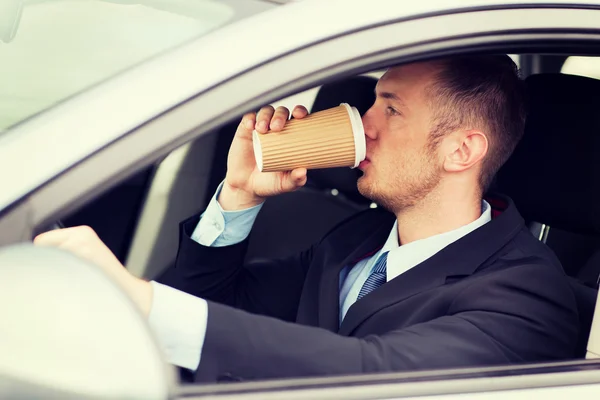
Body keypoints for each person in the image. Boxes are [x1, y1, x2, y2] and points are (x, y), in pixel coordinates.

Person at [34, 55, 579, 383]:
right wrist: (240, 197)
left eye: (390, 108)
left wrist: (141, 299)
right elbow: (214, 308)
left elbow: (373, 375)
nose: (364, 124)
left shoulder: (527, 296)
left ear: (461, 151)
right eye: (373, 103)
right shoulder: (358, 238)